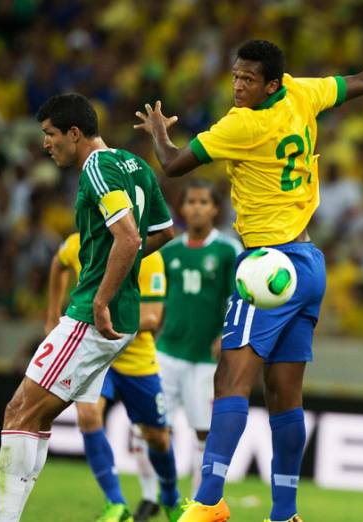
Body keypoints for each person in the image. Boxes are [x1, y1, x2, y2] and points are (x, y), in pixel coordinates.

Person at [135, 7, 363, 521]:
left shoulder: (242, 124)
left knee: (229, 380)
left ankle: (207, 503)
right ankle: (286, 513)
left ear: (271, 83)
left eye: (248, 80)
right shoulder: (302, 92)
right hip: (308, 263)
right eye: (235, 77)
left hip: (267, 265)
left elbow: (174, 164)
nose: (238, 88)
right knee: (284, 395)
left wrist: (159, 133)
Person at [0, 93, 175, 522]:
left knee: (19, 412)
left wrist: (102, 293)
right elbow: (162, 234)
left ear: (75, 133)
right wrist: (119, 271)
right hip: (119, 318)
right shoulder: (136, 165)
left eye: (50, 134)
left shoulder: (96, 167)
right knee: (36, 416)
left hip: (91, 316)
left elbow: (129, 237)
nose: (45, 144)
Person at [47, 232, 180, 522]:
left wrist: (107, 319)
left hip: (135, 356)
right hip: (95, 354)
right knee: (88, 415)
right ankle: (116, 503)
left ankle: (170, 496)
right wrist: (51, 316)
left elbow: (154, 317)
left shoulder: (148, 255)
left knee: (157, 438)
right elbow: (58, 263)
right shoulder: (80, 242)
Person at [157, 179, 242, 497]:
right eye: (190, 201)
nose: (196, 207)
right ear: (181, 208)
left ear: (215, 209)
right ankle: (159, 496)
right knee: (155, 430)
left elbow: (240, 297)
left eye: (203, 202)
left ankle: (197, 501)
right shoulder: (169, 251)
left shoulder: (227, 250)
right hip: (167, 350)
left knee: (203, 432)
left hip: (207, 357)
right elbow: (157, 296)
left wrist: (226, 334)